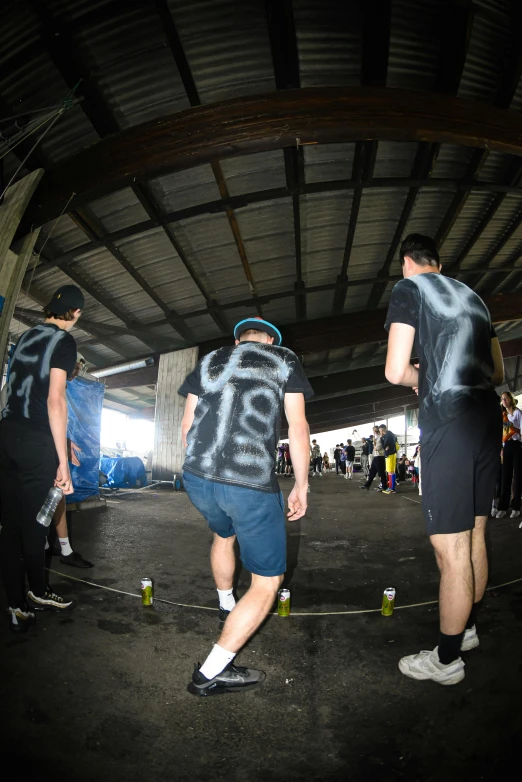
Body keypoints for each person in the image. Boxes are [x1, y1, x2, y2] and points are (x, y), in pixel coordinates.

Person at [384, 233, 504, 685]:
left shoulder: (409, 288)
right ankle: (467, 629)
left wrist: (420, 377)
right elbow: (500, 372)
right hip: (485, 419)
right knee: (474, 535)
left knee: (449, 548)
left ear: (407, 263)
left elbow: (396, 369)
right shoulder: (475, 298)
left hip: (449, 423)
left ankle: (447, 659)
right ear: (439, 260)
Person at [179, 316, 313, 696]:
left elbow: (187, 425)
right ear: (269, 340)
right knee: (268, 581)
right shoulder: (283, 358)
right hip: (248, 482)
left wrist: (196, 472)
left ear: (237, 341)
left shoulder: (209, 361)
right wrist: (301, 485)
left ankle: (226, 605)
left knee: (224, 532)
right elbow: (297, 428)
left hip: (197, 476)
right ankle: (211, 673)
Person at [0, 285, 84, 632]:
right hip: (36, 440)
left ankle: (15, 603)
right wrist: (62, 461)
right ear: (76, 314)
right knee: (37, 523)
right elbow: (55, 400)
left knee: (10, 525)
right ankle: (38, 591)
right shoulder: (64, 342)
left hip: (6, 433)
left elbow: (8, 385)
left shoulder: (25, 336)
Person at [494, 391, 522, 519]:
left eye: (506, 398)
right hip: (507, 447)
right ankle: (503, 507)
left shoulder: (518, 413)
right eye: (502, 399)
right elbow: (501, 434)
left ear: (510, 399)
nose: (504, 401)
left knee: (517, 477)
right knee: (506, 476)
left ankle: (516, 507)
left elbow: (520, 431)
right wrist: (501, 447)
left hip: (517, 445)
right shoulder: (503, 415)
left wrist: (513, 428)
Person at [360, 426, 387, 491]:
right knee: (372, 471)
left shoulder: (380, 438)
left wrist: (374, 443)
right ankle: (367, 485)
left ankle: (384, 486)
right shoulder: (377, 437)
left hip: (380, 457)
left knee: (381, 473)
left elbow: (376, 448)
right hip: (376, 457)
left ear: (375, 431)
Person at [379, 424, 398, 494]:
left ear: (382, 430)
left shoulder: (387, 435)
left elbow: (384, 446)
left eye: (380, 430)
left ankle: (392, 488)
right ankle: (391, 487)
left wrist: (381, 438)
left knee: (390, 472)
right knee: (391, 471)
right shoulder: (391, 434)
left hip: (390, 454)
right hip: (392, 453)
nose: (380, 432)